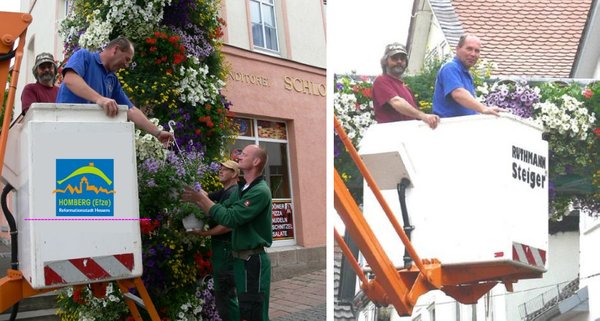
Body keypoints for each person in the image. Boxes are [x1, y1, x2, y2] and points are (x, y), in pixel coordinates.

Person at [182, 144, 272, 321]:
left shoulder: (259, 191)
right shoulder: (242, 189)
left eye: (244, 155)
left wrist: (201, 198)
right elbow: (220, 209)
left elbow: (229, 218)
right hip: (241, 259)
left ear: (256, 161)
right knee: (245, 310)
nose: (239, 157)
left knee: (254, 313)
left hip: (252, 260)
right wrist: (198, 197)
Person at [56, 37, 172, 145]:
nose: (126, 65)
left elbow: (130, 110)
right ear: (116, 49)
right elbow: (70, 79)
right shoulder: (84, 56)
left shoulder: (112, 79)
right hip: (66, 134)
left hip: (89, 140)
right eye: (127, 59)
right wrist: (100, 99)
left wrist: (158, 133)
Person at [190, 160, 241, 321]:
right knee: (223, 297)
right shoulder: (224, 191)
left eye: (225, 169)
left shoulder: (234, 192)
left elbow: (228, 224)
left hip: (227, 249)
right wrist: (193, 184)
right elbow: (206, 199)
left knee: (226, 297)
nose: (220, 171)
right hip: (221, 250)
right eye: (220, 168)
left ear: (234, 174)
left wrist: (205, 234)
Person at [432, 34, 503, 117]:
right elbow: (458, 93)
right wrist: (483, 109)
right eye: (469, 49)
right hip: (449, 126)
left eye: (477, 51)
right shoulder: (450, 68)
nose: (473, 54)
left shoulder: (467, 74)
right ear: (457, 49)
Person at [372, 42, 439, 129]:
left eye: (402, 59)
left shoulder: (406, 89)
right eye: (394, 58)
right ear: (385, 62)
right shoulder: (381, 81)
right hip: (391, 137)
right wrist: (424, 116)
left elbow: (414, 116)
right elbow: (396, 101)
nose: (399, 61)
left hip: (407, 136)